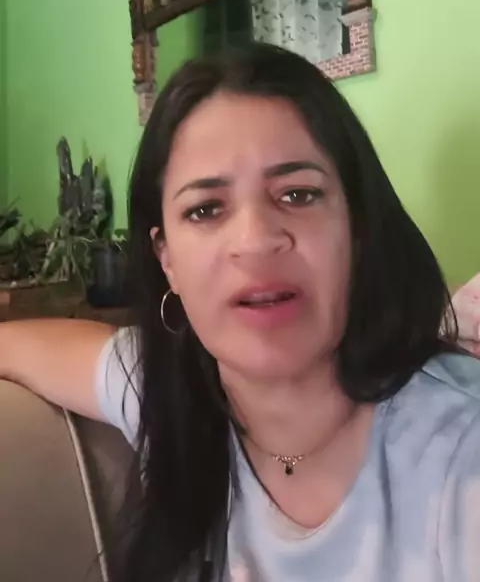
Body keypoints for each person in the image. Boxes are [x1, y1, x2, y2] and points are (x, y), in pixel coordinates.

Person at [1, 41, 480, 582]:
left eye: (298, 195)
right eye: (205, 209)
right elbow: (18, 345)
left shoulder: (461, 449)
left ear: (358, 229)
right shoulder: (169, 387)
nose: (255, 241)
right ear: (167, 260)